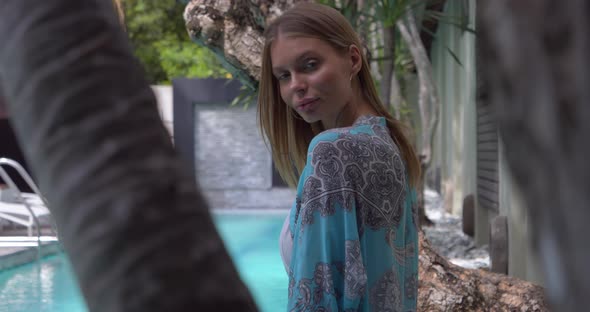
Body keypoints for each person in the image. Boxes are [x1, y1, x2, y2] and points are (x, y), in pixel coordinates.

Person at [258, 3, 421, 311]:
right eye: (283, 75)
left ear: (353, 59)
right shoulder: (391, 146)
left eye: (309, 65)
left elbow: (315, 298)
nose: (296, 86)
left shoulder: (333, 150)